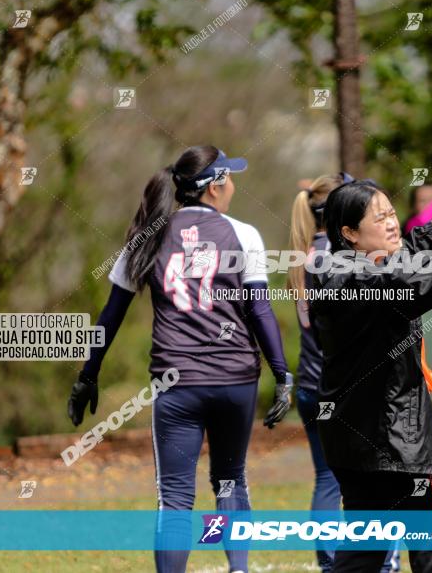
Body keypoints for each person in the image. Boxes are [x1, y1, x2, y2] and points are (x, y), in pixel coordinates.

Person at [67, 145, 293, 573]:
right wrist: (282, 374)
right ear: (214, 187)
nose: (235, 184)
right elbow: (259, 310)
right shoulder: (244, 234)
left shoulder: (149, 236)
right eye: (230, 176)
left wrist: (87, 375)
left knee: (174, 497)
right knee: (230, 480)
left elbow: (110, 316)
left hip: (177, 384)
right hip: (235, 379)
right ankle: (239, 570)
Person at [309, 180, 432, 572]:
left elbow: (398, 271)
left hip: (354, 443)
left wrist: (429, 234)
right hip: (400, 442)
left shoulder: (335, 270)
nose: (390, 223)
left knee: (361, 555)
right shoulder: (364, 281)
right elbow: (413, 285)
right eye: (378, 217)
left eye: (390, 212)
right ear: (349, 233)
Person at [287, 173, 400, 573]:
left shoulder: (302, 254)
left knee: (328, 481)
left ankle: (333, 562)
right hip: (346, 388)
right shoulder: (340, 259)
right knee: (381, 482)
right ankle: (379, 561)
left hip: (310, 384)